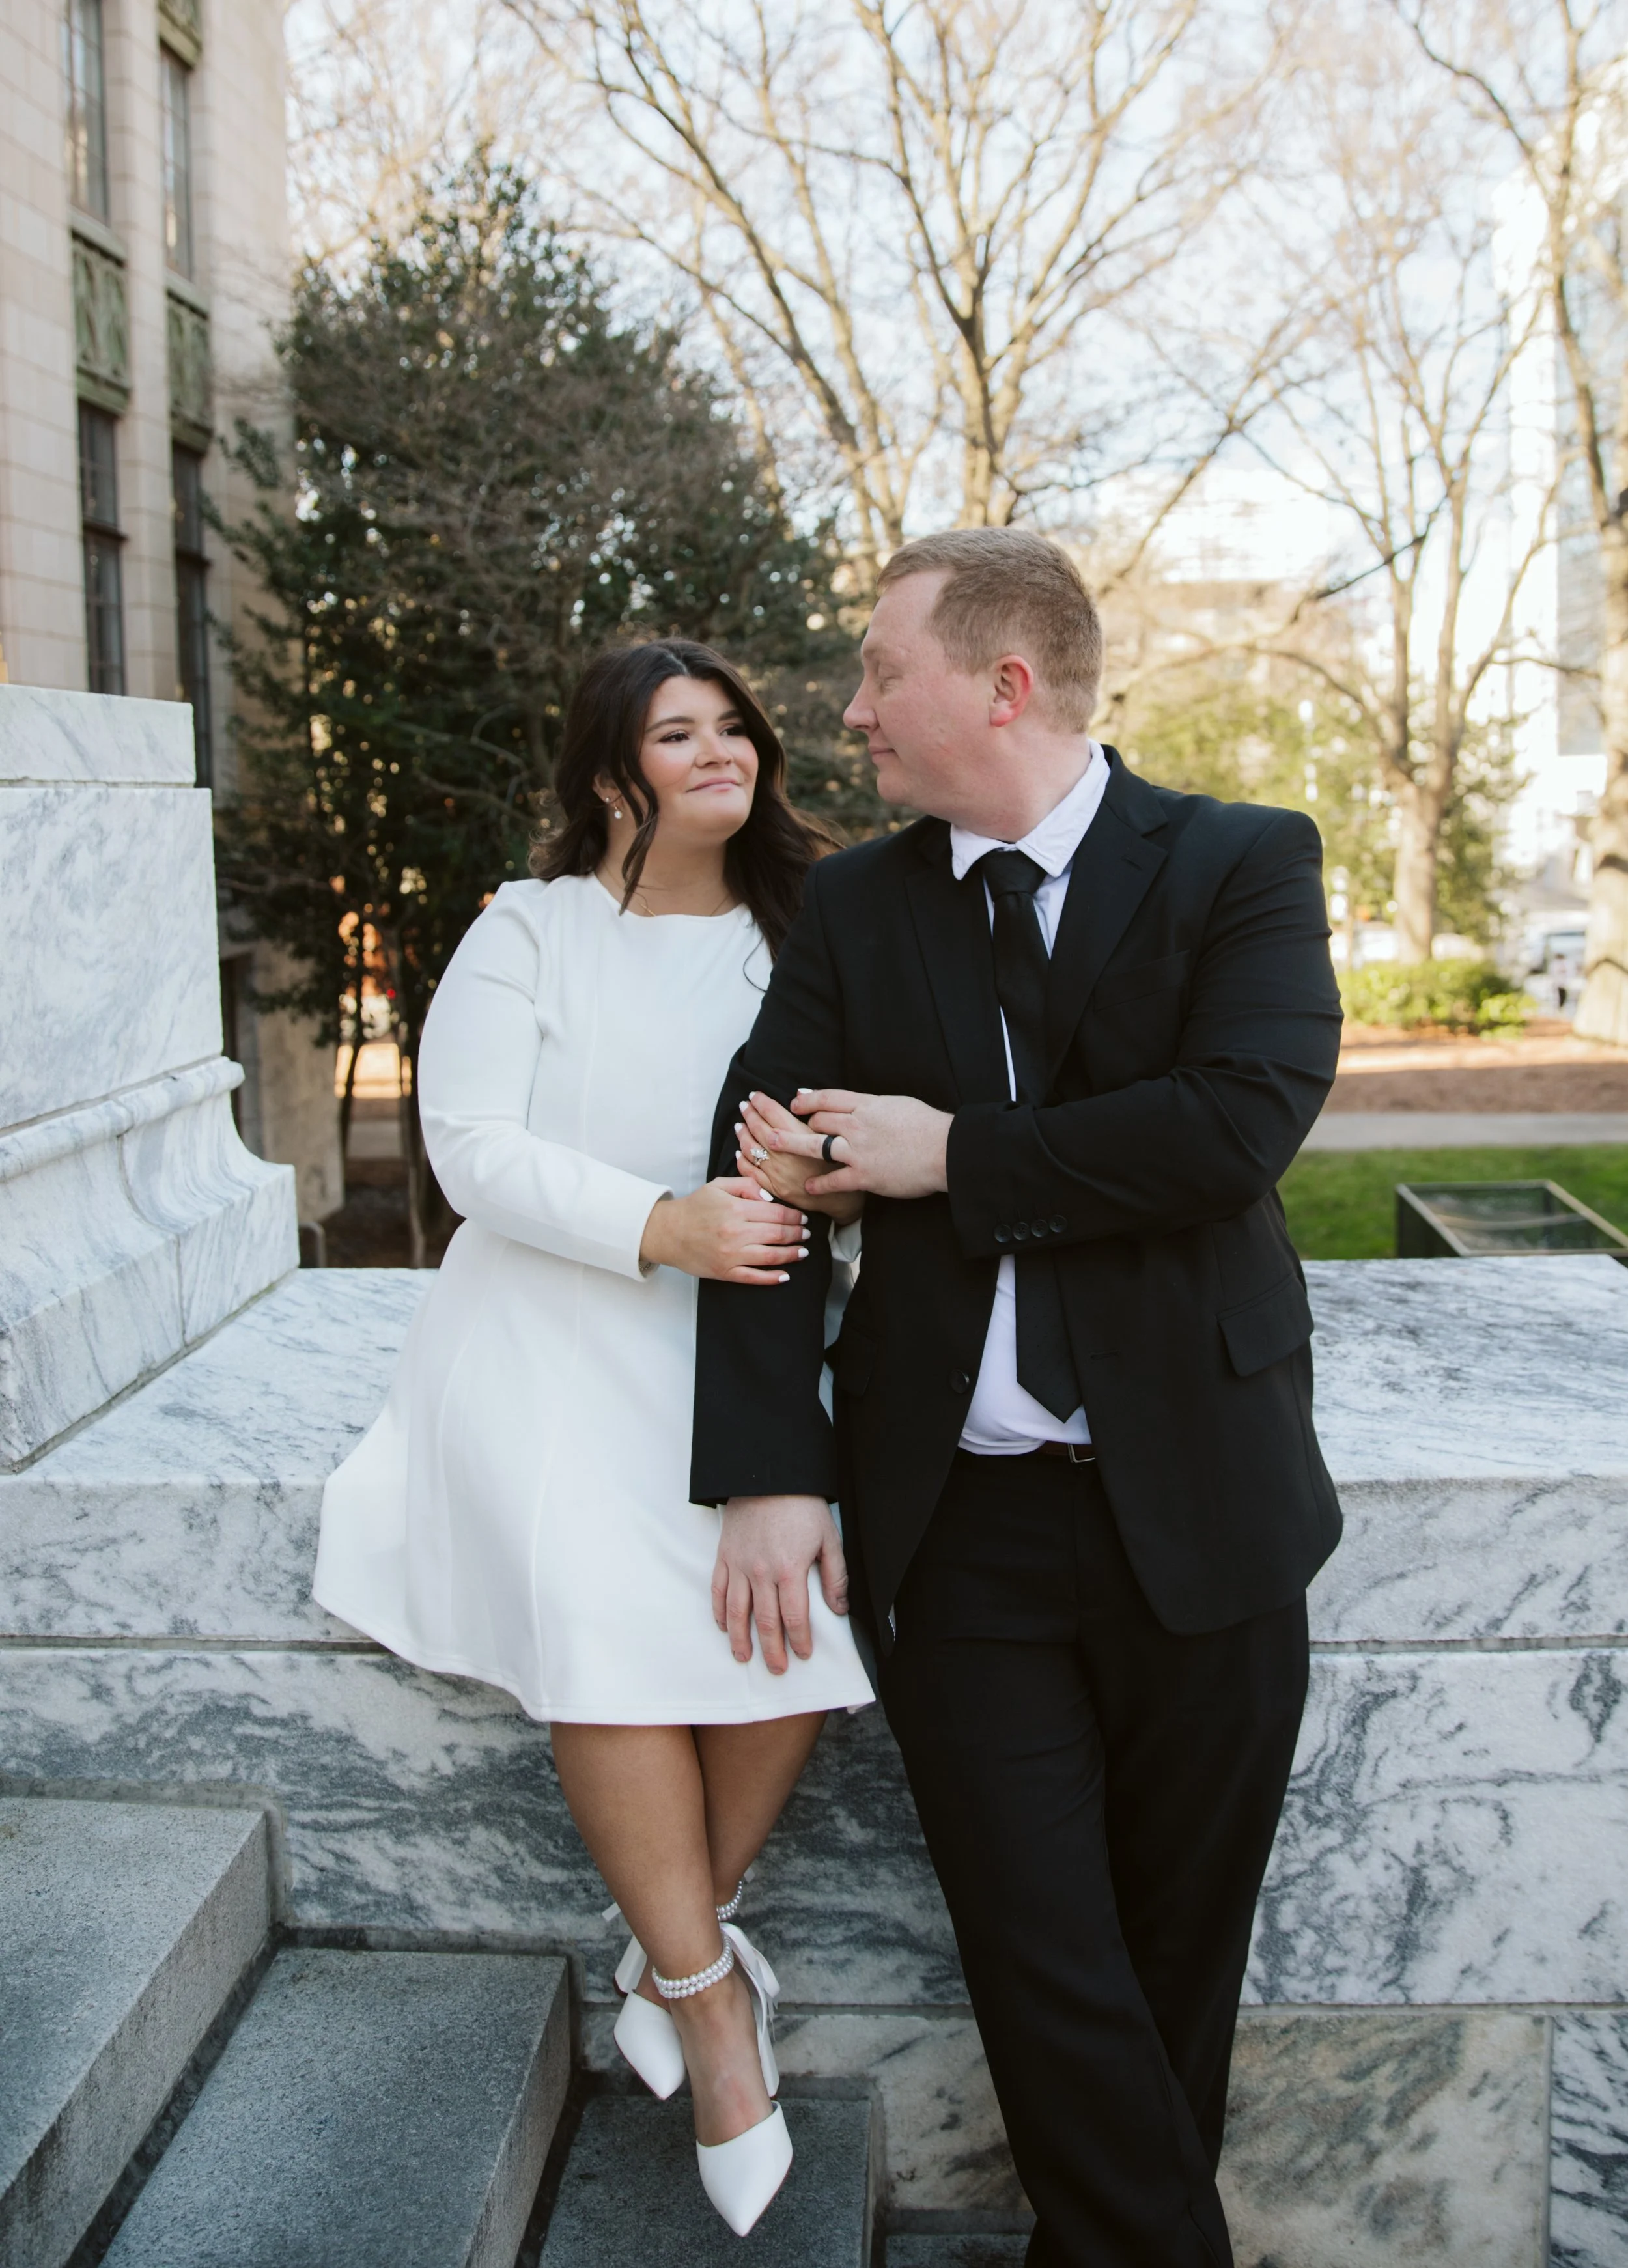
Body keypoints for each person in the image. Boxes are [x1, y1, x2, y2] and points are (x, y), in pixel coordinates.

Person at [692, 530, 1344, 2267]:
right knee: (1041, 1953)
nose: (849, 712)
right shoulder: (855, 904)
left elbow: (1233, 1125)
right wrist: (767, 1467)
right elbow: (756, 1176)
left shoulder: (1239, 860)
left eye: (878, 672)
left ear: (1002, 683)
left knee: (1172, 1966)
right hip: (956, 1529)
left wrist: (950, 1157)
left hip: (1204, 1510)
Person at [313, 639, 874, 2239]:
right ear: (610, 777)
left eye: (733, 727)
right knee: (607, 1645)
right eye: (676, 733)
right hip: (548, 1334)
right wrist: (657, 1223)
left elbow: (858, 1129)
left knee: (798, 1640)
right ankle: (711, 2009)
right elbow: (468, 1146)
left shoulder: (808, 929)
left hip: (740, 1349)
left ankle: (661, 1949)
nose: (721, 752)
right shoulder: (531, 927)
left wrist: (825, 1184)